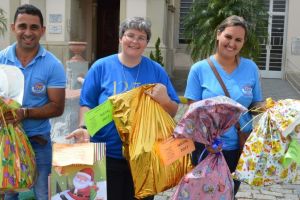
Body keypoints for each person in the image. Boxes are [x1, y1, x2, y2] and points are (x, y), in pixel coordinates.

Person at [66, 16, 179, 200]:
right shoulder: (101, 67)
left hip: (143, 157)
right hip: (105, 153)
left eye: (141, 37)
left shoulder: (156, 70)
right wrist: (83, 128)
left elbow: (173, 110)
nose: (135, 41)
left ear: (146, 43)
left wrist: (165, 100)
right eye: (130, 35)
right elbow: (87, 102)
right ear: (120, 38)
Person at [184, 15, 263, 197]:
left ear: (243, 42)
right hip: (207, 148)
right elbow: (192, 113)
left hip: (239, 146)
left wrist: (268, 108)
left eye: (238, 40)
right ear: (218, 34)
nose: (232, 43)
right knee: (204, 195)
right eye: (228, 37)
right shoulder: (199, 69)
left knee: (229, 193)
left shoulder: (250, 68)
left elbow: (255, 104)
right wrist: (207, 141)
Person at [0, 4, 66, 200]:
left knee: (43, 195)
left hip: (39, 142)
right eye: (22, 26)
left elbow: (57, 106)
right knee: (9, 195)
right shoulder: (1, 60)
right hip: (6, 143)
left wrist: (25, 113)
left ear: (42, 31)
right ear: (13, 28)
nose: (28, 32)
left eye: (34, 27)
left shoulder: (52, 64)